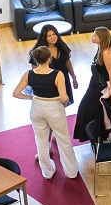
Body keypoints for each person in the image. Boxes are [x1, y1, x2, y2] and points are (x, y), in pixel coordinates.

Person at [13, 46, 79, 179]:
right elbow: (64, 98)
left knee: (41, 140)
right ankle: (71, 171)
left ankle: (47, 172)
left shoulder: (28, 74)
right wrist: (64, 104)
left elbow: (16, 93)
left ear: (36, 60)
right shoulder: (57, 74)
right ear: (49, 59)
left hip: (37, 107)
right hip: (54, 107)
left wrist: (31, 97)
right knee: (63, 139)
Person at [73, 26, 111, 143]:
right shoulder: (101, 49)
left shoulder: (107, 52)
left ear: (102, 38)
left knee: (87, 106)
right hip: (95, 83)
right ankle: (98, 135)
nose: (92, 37)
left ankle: (100, 133)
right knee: (88, 107)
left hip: (101, 85)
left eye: (95, 35)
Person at [32, 24, 78, 104]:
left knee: (64, 102)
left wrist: (73, 77)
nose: (53, 37)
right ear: (44, 37)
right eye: (49, 36)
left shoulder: (62, 46)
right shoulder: (39, 51)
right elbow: (34, 70)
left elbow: (68, 62)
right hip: (49, 83)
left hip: (64, 79)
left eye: (54, 34)